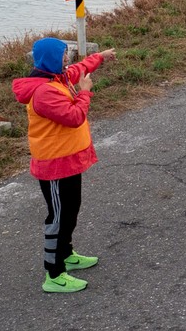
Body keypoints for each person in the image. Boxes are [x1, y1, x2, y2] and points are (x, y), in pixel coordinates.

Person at [15, 36, 116, 294]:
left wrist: (100, 57)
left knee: (71, 211)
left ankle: (67, 254)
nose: (66, 60)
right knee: (58, 218)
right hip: (55, 165)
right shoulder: (44, 92)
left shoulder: (56, 78)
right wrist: (84, 93)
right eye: (62, 56)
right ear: (50, 60)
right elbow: (73, 117)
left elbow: (78, 69)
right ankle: (54, 274)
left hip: (68, 160)